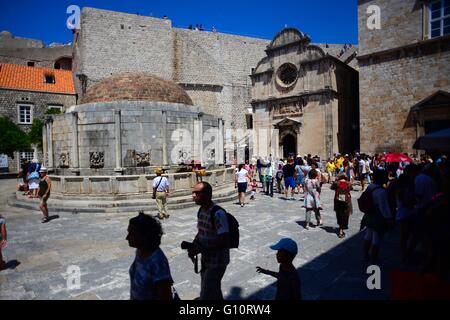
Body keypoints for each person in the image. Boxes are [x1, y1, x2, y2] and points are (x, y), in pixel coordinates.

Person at [188, 182, 230, 300]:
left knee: (207, 293)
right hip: (206, 259)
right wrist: (194, 244)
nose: (193, 196)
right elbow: (202, 232)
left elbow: (224, 239)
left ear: (206, 195)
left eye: (196, 193)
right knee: (214, 290)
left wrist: (201, 248)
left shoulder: (218, 213)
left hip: (218, 261)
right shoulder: (201, 210)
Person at [127, 211, 175, 300]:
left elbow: (165, 296)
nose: (127, 237)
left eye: (131, 234)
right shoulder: (140, 251)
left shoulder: (157, 262)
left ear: (144, 236)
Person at [361, 169, 394, 264]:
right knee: (377, 239)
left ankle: (365, 255)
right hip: (378, 218)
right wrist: (389, 220)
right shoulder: (382, 192)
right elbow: (385, 209)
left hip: (369, 215)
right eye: (385, 177)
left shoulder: (370, 187)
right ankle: (373, 258)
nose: (387, 179)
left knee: (368, 235)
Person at [330, 173, 353, 238]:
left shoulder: (337, 183)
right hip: (346, 200)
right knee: (345, 214)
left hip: (338, 201)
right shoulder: (348, 183)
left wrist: (336, 180)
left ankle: (340, 227)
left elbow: (331, 188)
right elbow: (351, 188)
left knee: (339, 213)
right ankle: (342, 228)